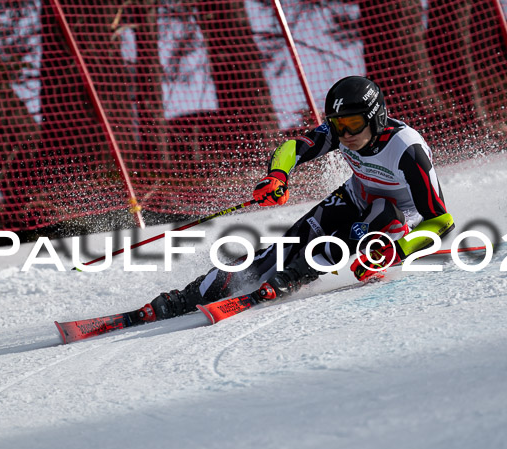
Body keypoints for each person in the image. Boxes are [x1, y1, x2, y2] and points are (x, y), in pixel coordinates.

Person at [147, 76, 454, 320]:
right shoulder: (342, 131)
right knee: (284, 248)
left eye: (354, 124)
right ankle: (191, 294)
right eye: (338, 124)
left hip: (396, 218)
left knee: (362, 224)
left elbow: (441, 220)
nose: (345, 134)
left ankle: (297, 275)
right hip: (354, 196)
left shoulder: (407, 150)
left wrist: (397, 252)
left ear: (376, 118)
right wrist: (277, 176)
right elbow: (293, 147)